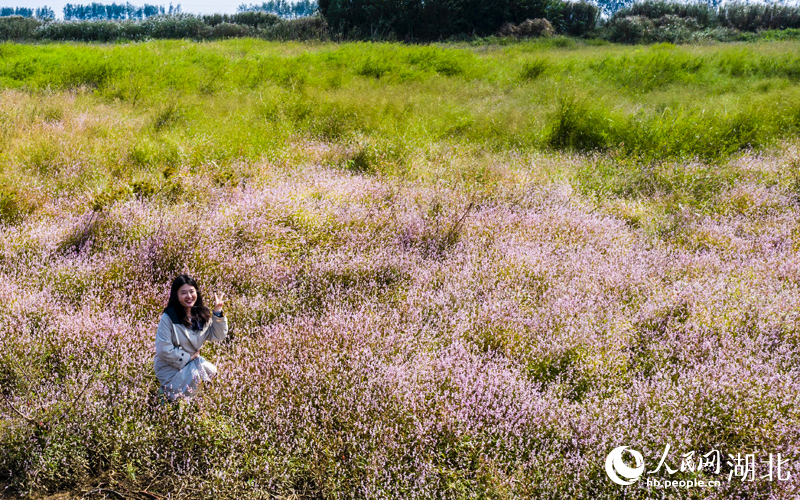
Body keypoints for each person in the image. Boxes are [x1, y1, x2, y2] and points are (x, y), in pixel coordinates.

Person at [154, 274, 228, 402]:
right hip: (170, 367)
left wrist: (217, 312)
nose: (189, 296)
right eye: (183, 293)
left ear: (197, 293)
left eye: (192, 292)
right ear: (176, 295)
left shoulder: (201, 314)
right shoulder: (169, 317)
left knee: (213, 373)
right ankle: (166, 397)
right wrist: (189, 357)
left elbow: (217, 335)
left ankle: (193, 404)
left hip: (192, 363)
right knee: (199, 375)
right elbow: (163, 349)